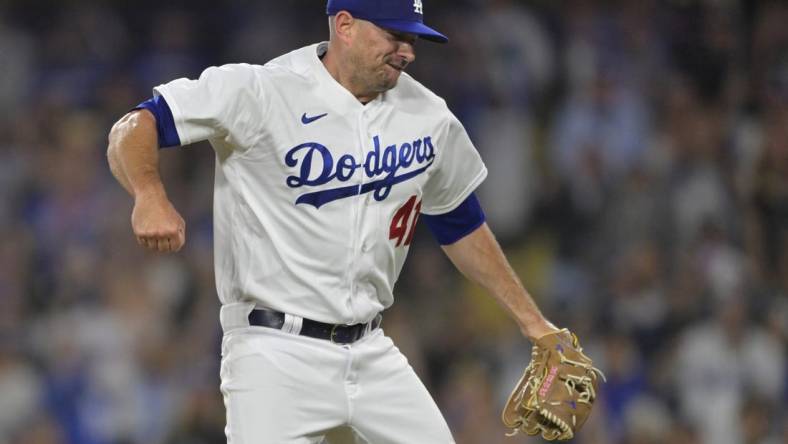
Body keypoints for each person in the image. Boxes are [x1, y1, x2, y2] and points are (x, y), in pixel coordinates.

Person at [107, 0, 560, 442]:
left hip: (371, 350)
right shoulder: (262, 90)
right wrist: (149, 194)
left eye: (414, 39)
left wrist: (533, 323)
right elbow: (136, 125)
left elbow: (460, 221)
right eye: (395, 36)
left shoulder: (428, 115)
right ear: (345, 25)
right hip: (274, 353)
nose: (409, 51)